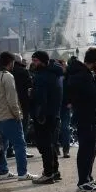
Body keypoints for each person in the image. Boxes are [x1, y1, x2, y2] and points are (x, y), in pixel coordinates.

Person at [0, 51, 36, 181]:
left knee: (2, 146)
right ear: (11, 63)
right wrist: (18, 115)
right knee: (20, 145)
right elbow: (12, 99)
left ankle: (4, 171)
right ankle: (22, 173)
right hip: (10, 116)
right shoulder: (8, 76)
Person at [67, 47, 96, 192]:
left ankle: (88, 177)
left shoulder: (83, 73)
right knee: (85, 149)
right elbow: (95, 92)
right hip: (85, 116)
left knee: (91, 148)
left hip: (89, 116)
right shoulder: (82, 74)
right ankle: (83, 181)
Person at [30, 51, 64, 184]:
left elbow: (42, 98)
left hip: (44, 116)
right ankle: (54, 171)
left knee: (44, 145)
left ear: (43, 61)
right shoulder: (56, 73)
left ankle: (48, 173)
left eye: (36, 61)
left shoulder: (42, 76)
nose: (34, 63)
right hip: (54, 114)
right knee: (52, 144)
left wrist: (39, 114)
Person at [11, 54, 34, 147]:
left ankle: (10, 149)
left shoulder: (7, 72)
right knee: (23, 127)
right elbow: (30, 87)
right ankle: (22, 148)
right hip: (23, 103)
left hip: (9, 103)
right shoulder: (24, 72)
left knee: (11, 127)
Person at [59, 60, 73, 158]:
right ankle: (55, 149)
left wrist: (71, 102)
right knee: (55, 129)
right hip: (55, 106)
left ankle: (66, 150)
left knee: (65, 128)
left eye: (63, 66)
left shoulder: (69, 77)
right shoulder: (54, 77)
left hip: (65, 106)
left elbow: (74, 90)